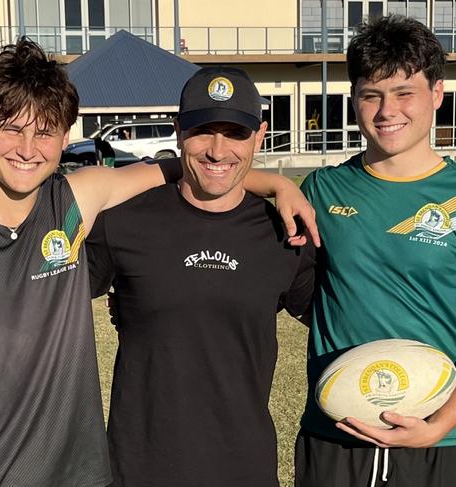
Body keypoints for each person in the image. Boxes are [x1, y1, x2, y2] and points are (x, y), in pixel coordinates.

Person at [0, 41, 316, 486]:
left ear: (66, 137)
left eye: (45, 132)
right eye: (11, 128)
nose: (28, 149)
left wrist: (275, 182)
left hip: (75, 475)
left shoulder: (75, 203)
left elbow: (180, 169)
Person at [296, 15, 456, 487]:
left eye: (403, 92)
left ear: (436, 93)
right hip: (336, 434)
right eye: (370, 94)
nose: (385, 111)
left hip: (440, 439)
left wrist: (436, 425)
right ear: (354, 98)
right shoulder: (321, 190)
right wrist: (272, 181)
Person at [86, 66, 316, 487]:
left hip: (244, 468)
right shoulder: (122, 222)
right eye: (202, 131)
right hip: (140, 469)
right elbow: (44, 294)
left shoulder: (284, 231)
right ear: (178, 132)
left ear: (260, 136)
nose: (217, 149)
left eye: (235, 133)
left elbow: (337, 321)